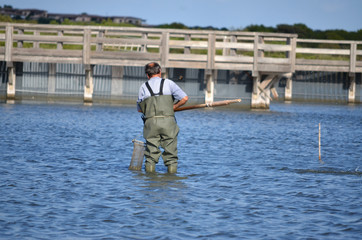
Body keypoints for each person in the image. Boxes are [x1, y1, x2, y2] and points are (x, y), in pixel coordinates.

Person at [137, 62, 188, 173]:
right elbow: (184, 98)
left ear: (147, 75)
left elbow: (140, 109)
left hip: (151, 124)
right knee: (171, 156)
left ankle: (149, 184)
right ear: (160, 71)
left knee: (150, 156)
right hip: (168, 123)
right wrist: (174, 106)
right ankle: (171, 182)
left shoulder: (143, 87)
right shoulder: (169, 83)